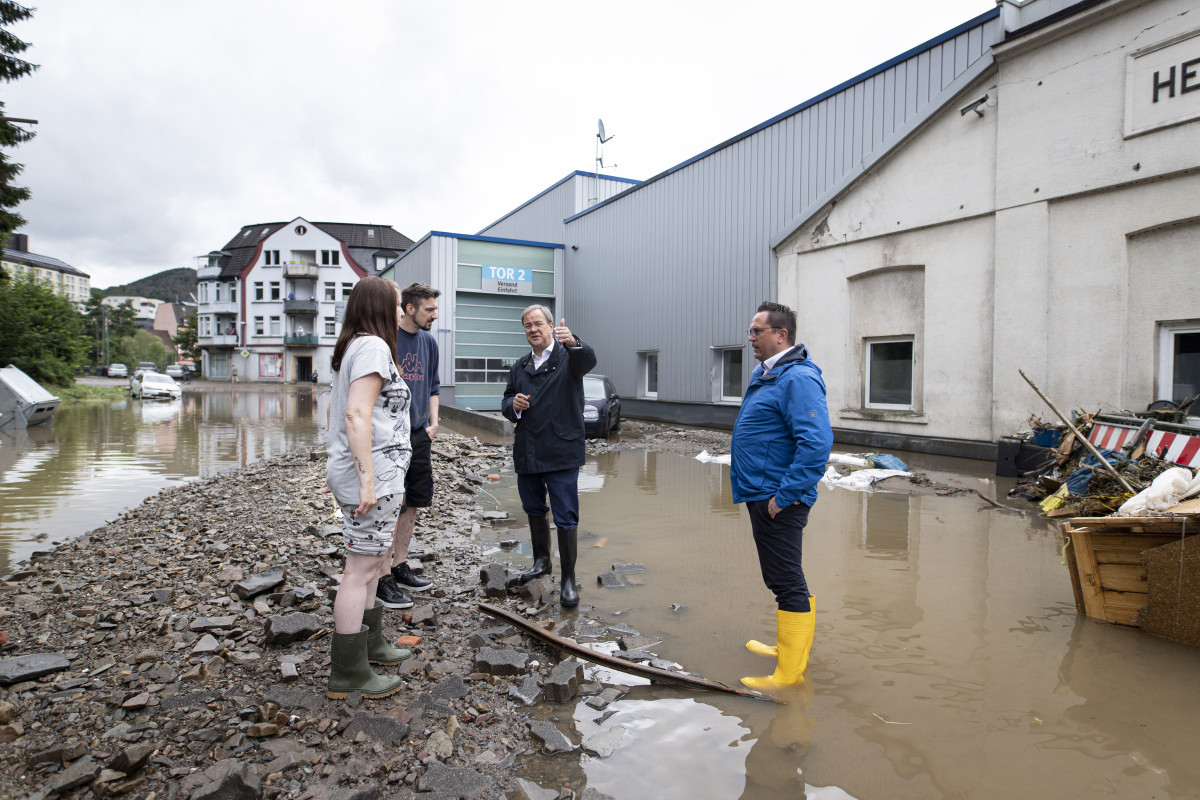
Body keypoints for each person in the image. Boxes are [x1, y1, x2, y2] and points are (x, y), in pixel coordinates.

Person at [731, 301, 832, 691]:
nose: (751, 338)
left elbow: (817, 444)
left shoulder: (797, 378)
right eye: (751, 331)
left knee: (786, 580)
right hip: (763, 490)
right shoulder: (770, 374)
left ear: (781, 335)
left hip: (777, 497)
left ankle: (789, 674)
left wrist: (785, 495)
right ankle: (790, 650)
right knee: (783, 576)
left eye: (757, 331)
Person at [323, 276, 414, 699]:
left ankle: (371, 645)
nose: (401, 313)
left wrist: (337, 467)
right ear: (380, 307)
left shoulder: (353, 348)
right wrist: (363, 480)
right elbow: (356, 416)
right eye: (397, 305)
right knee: (360, 570)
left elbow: (337, 410)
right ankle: (347, 671)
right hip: (374, 478)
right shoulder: (373, 347)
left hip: (375, 475)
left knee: (376, 564)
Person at [501, 305, 597, 608]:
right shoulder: (519, 366)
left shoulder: (569, 358)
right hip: (528, 451)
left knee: (566, 516)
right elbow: (505, 401)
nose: (533, 329)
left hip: (561, 450)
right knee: (533, 508)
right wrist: (513, 404)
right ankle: (541, 562)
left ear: (551, 326)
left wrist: (574, 341)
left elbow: (588, 359)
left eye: (538, 323)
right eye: (527, 325)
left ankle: (568, 578)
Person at [376, 282, 441, 609]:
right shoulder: (386, 340)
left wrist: (433, 423)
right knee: (390, 503)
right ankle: (382, 575)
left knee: (413, 501)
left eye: (435, 309)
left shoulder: (429, 342)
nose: (435, 315)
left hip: (419, 433)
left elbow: (433, 385)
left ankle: (400, 564)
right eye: (429, 309)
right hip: (390, 436)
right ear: (410, 308)